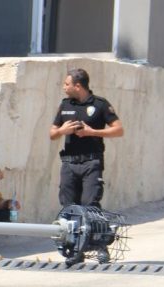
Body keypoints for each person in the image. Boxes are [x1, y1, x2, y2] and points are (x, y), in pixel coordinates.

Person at [49, 68, 124, 263]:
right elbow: (52, 133)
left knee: (90, 207)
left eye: (67, 84)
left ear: (78, 86)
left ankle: (100, 246)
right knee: (69, 208)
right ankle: (75, 250)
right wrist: (62, 130)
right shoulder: (65, 105)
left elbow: (119, 130)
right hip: (69, 163)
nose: (64, 87)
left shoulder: (100, 105)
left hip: (91, 161)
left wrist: (92, 132)